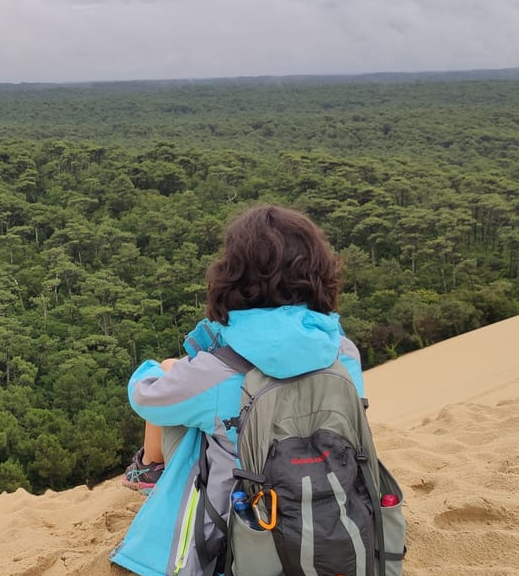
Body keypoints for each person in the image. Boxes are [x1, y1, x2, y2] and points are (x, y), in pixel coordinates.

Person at [120, 204, 365, 492]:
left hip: (245, 511)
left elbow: (145, 399)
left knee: (173, 380)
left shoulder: (214, 371)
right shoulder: (344, 352)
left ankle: (148, 470)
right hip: (337, 500)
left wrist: (156, 369)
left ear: (232, 277)